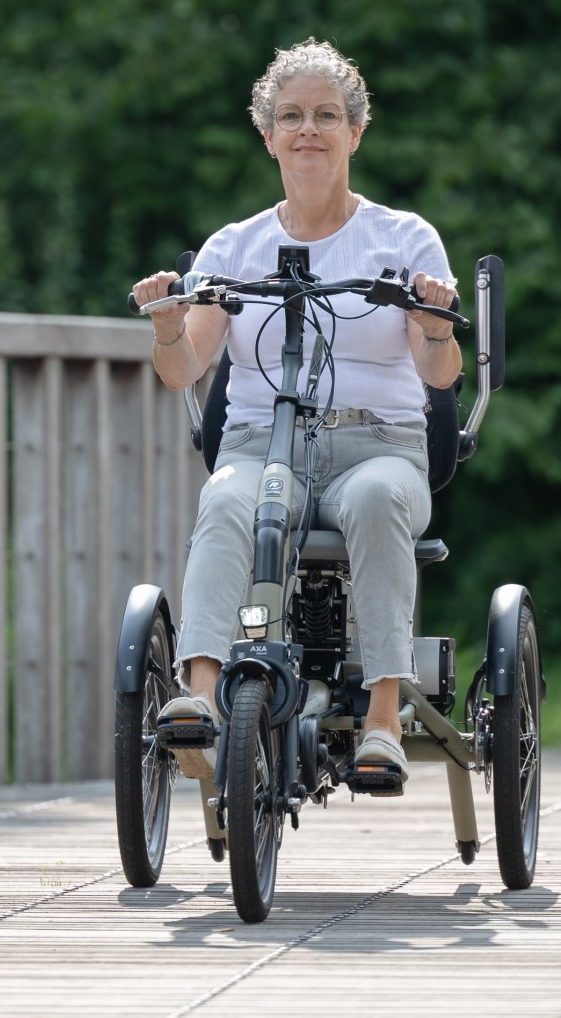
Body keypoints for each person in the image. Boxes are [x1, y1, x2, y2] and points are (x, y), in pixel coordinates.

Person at [129, 38, 459, 787]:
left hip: (379, 446)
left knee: (377, 499)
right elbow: (183, 369)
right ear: (268, 134)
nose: (308, 129)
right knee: (224, 499)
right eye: (291, 116)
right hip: (260, 445)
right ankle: (200, 698)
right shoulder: (233, 247)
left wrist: (435, 325)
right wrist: (167, 326)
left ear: (355, 132)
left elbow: (439, 375)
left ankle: (382, 720)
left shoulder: (405, 239)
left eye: (326, 115)